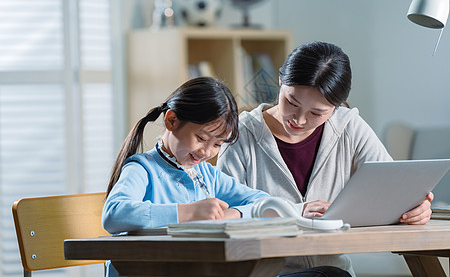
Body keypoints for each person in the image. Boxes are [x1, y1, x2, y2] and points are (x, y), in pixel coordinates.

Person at [216, 41, 433, 277]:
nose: (298, 120)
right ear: (281, 81)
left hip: (333, 271)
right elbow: (222, 219)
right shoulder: (240, 136)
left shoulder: (349, 128)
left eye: (316, 113)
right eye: (291, 102)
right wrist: (297, 212)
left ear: (335, 107)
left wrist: (413, 208)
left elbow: (392, 187)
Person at [102, 76, 350, 277]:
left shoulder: (207, 174)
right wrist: (187, 213)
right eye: (201, 138)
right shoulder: (143, 169)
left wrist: (233, 214)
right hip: (157, 271)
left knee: (331, 275)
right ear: (172, 121)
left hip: (208, 271)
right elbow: (114, 214)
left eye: (217, 144)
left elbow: (263, 202)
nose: (206, 152)